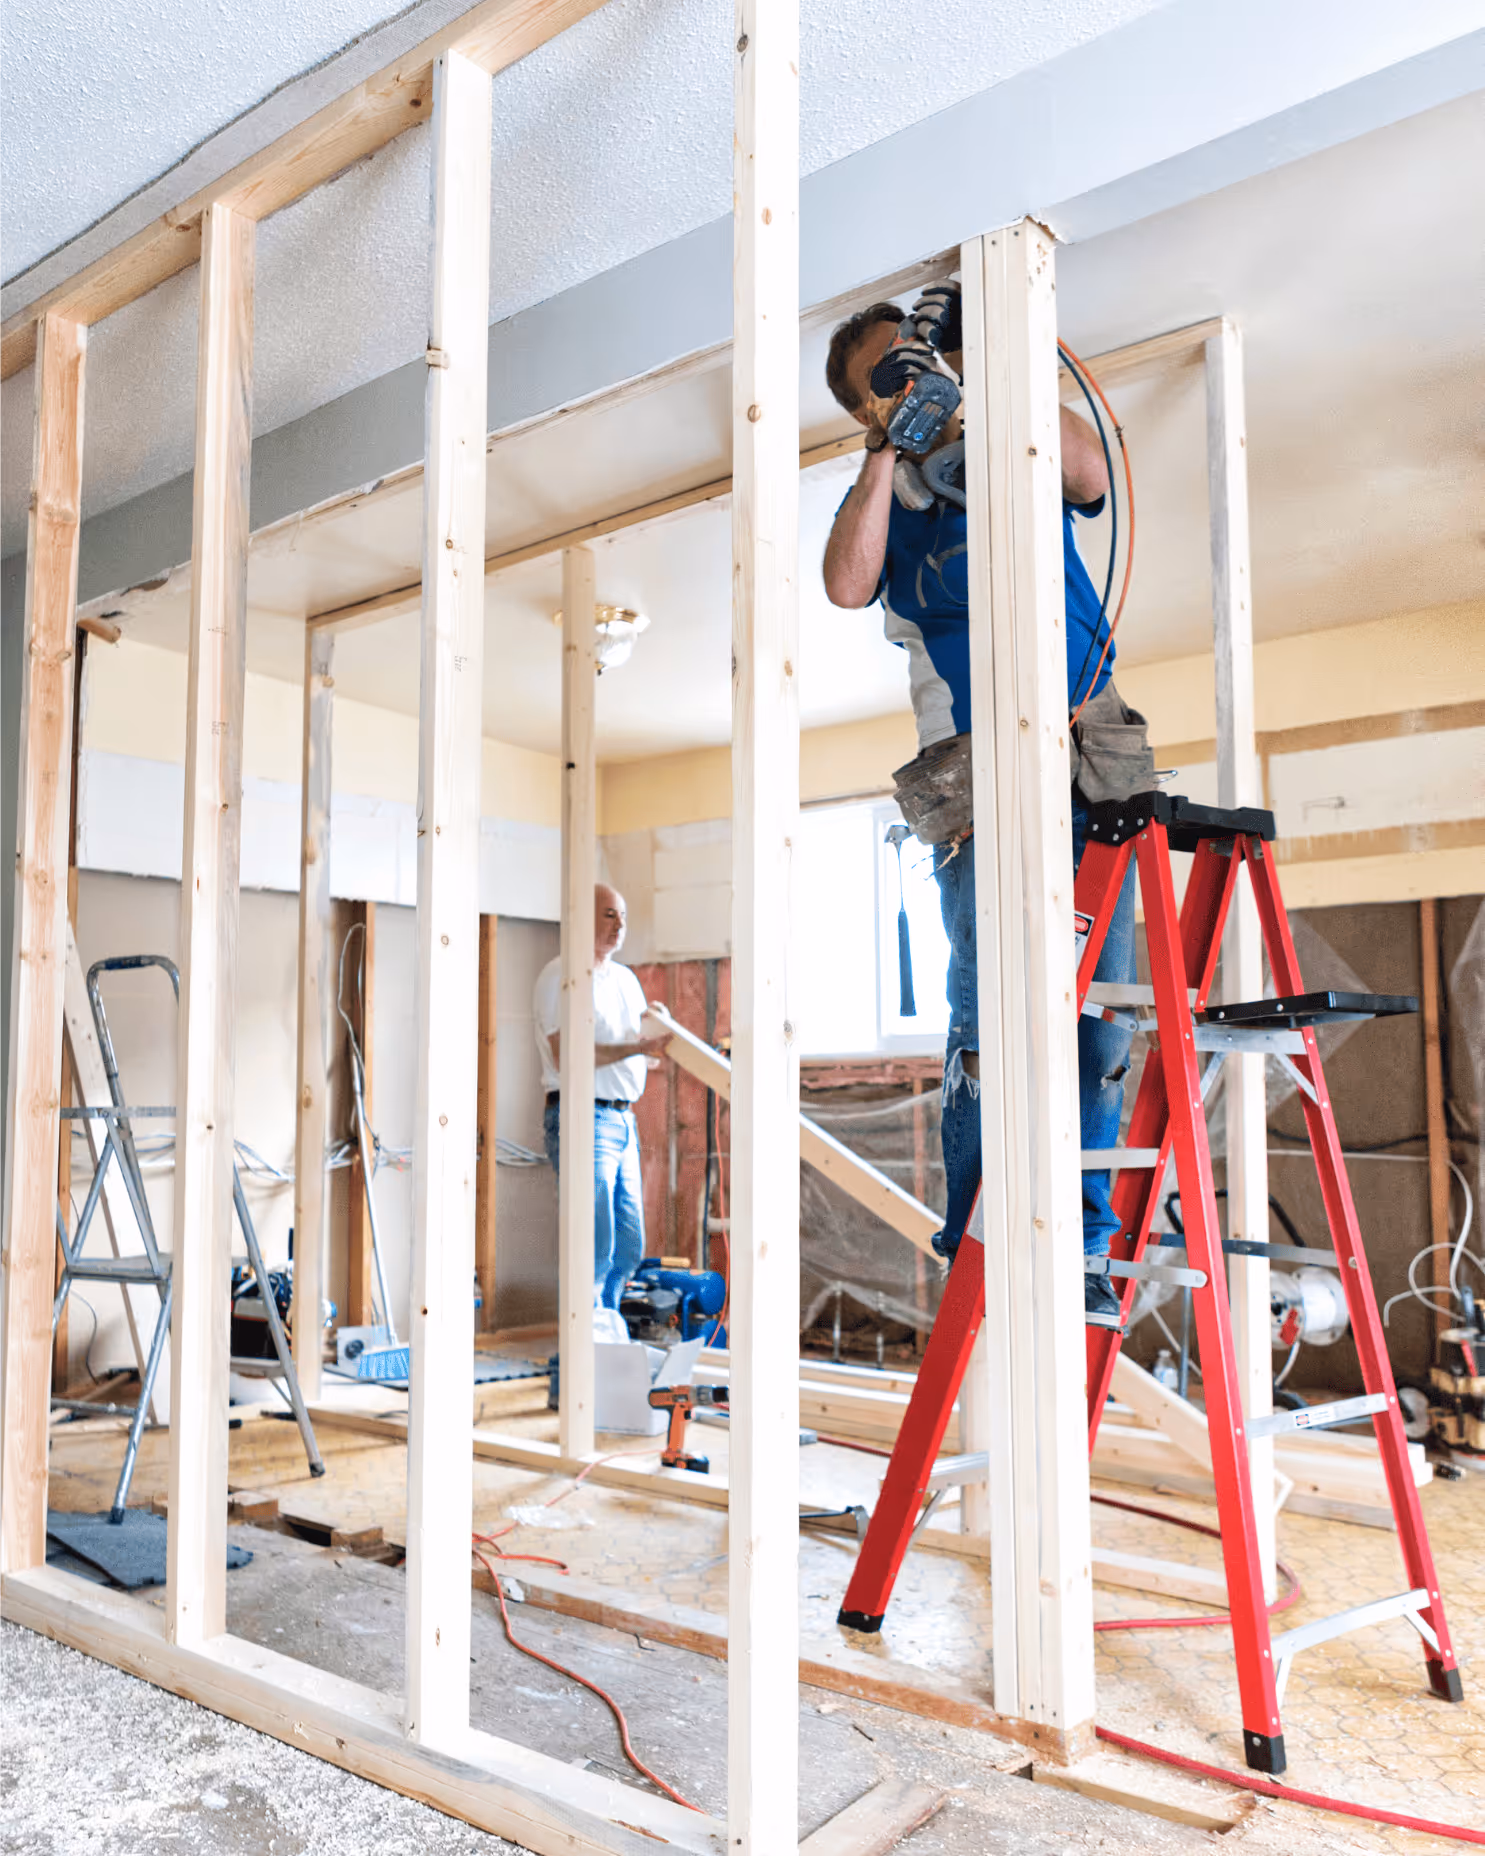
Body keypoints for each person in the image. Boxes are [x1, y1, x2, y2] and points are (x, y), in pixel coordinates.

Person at [822, 288, 1153, 1324]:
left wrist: (985, 375)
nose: (911, 374)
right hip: (974, 766)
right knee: (987, 1018)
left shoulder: (1010, 447)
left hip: (1090, 747)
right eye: (886, 374)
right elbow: (844, 583)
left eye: (916, 354)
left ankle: (1082, 1244)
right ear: (862, 406)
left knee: (1100, 1019)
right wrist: (887, 447)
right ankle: (981, 1233)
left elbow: (1090, 473)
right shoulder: (892, 497)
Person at [533, 885, 670, 1309]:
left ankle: (606, 1324)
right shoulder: (560, 976)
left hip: (623, 1119)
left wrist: (658, 1033)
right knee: (594, 1242)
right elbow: (567, 1052)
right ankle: (586, 1336)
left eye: (623, 916)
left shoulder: (626, 980)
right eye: (609, 914)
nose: (619, 925)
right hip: (583, 1116)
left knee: (628, 1244)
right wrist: (637, 1048)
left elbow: (642, 1051)